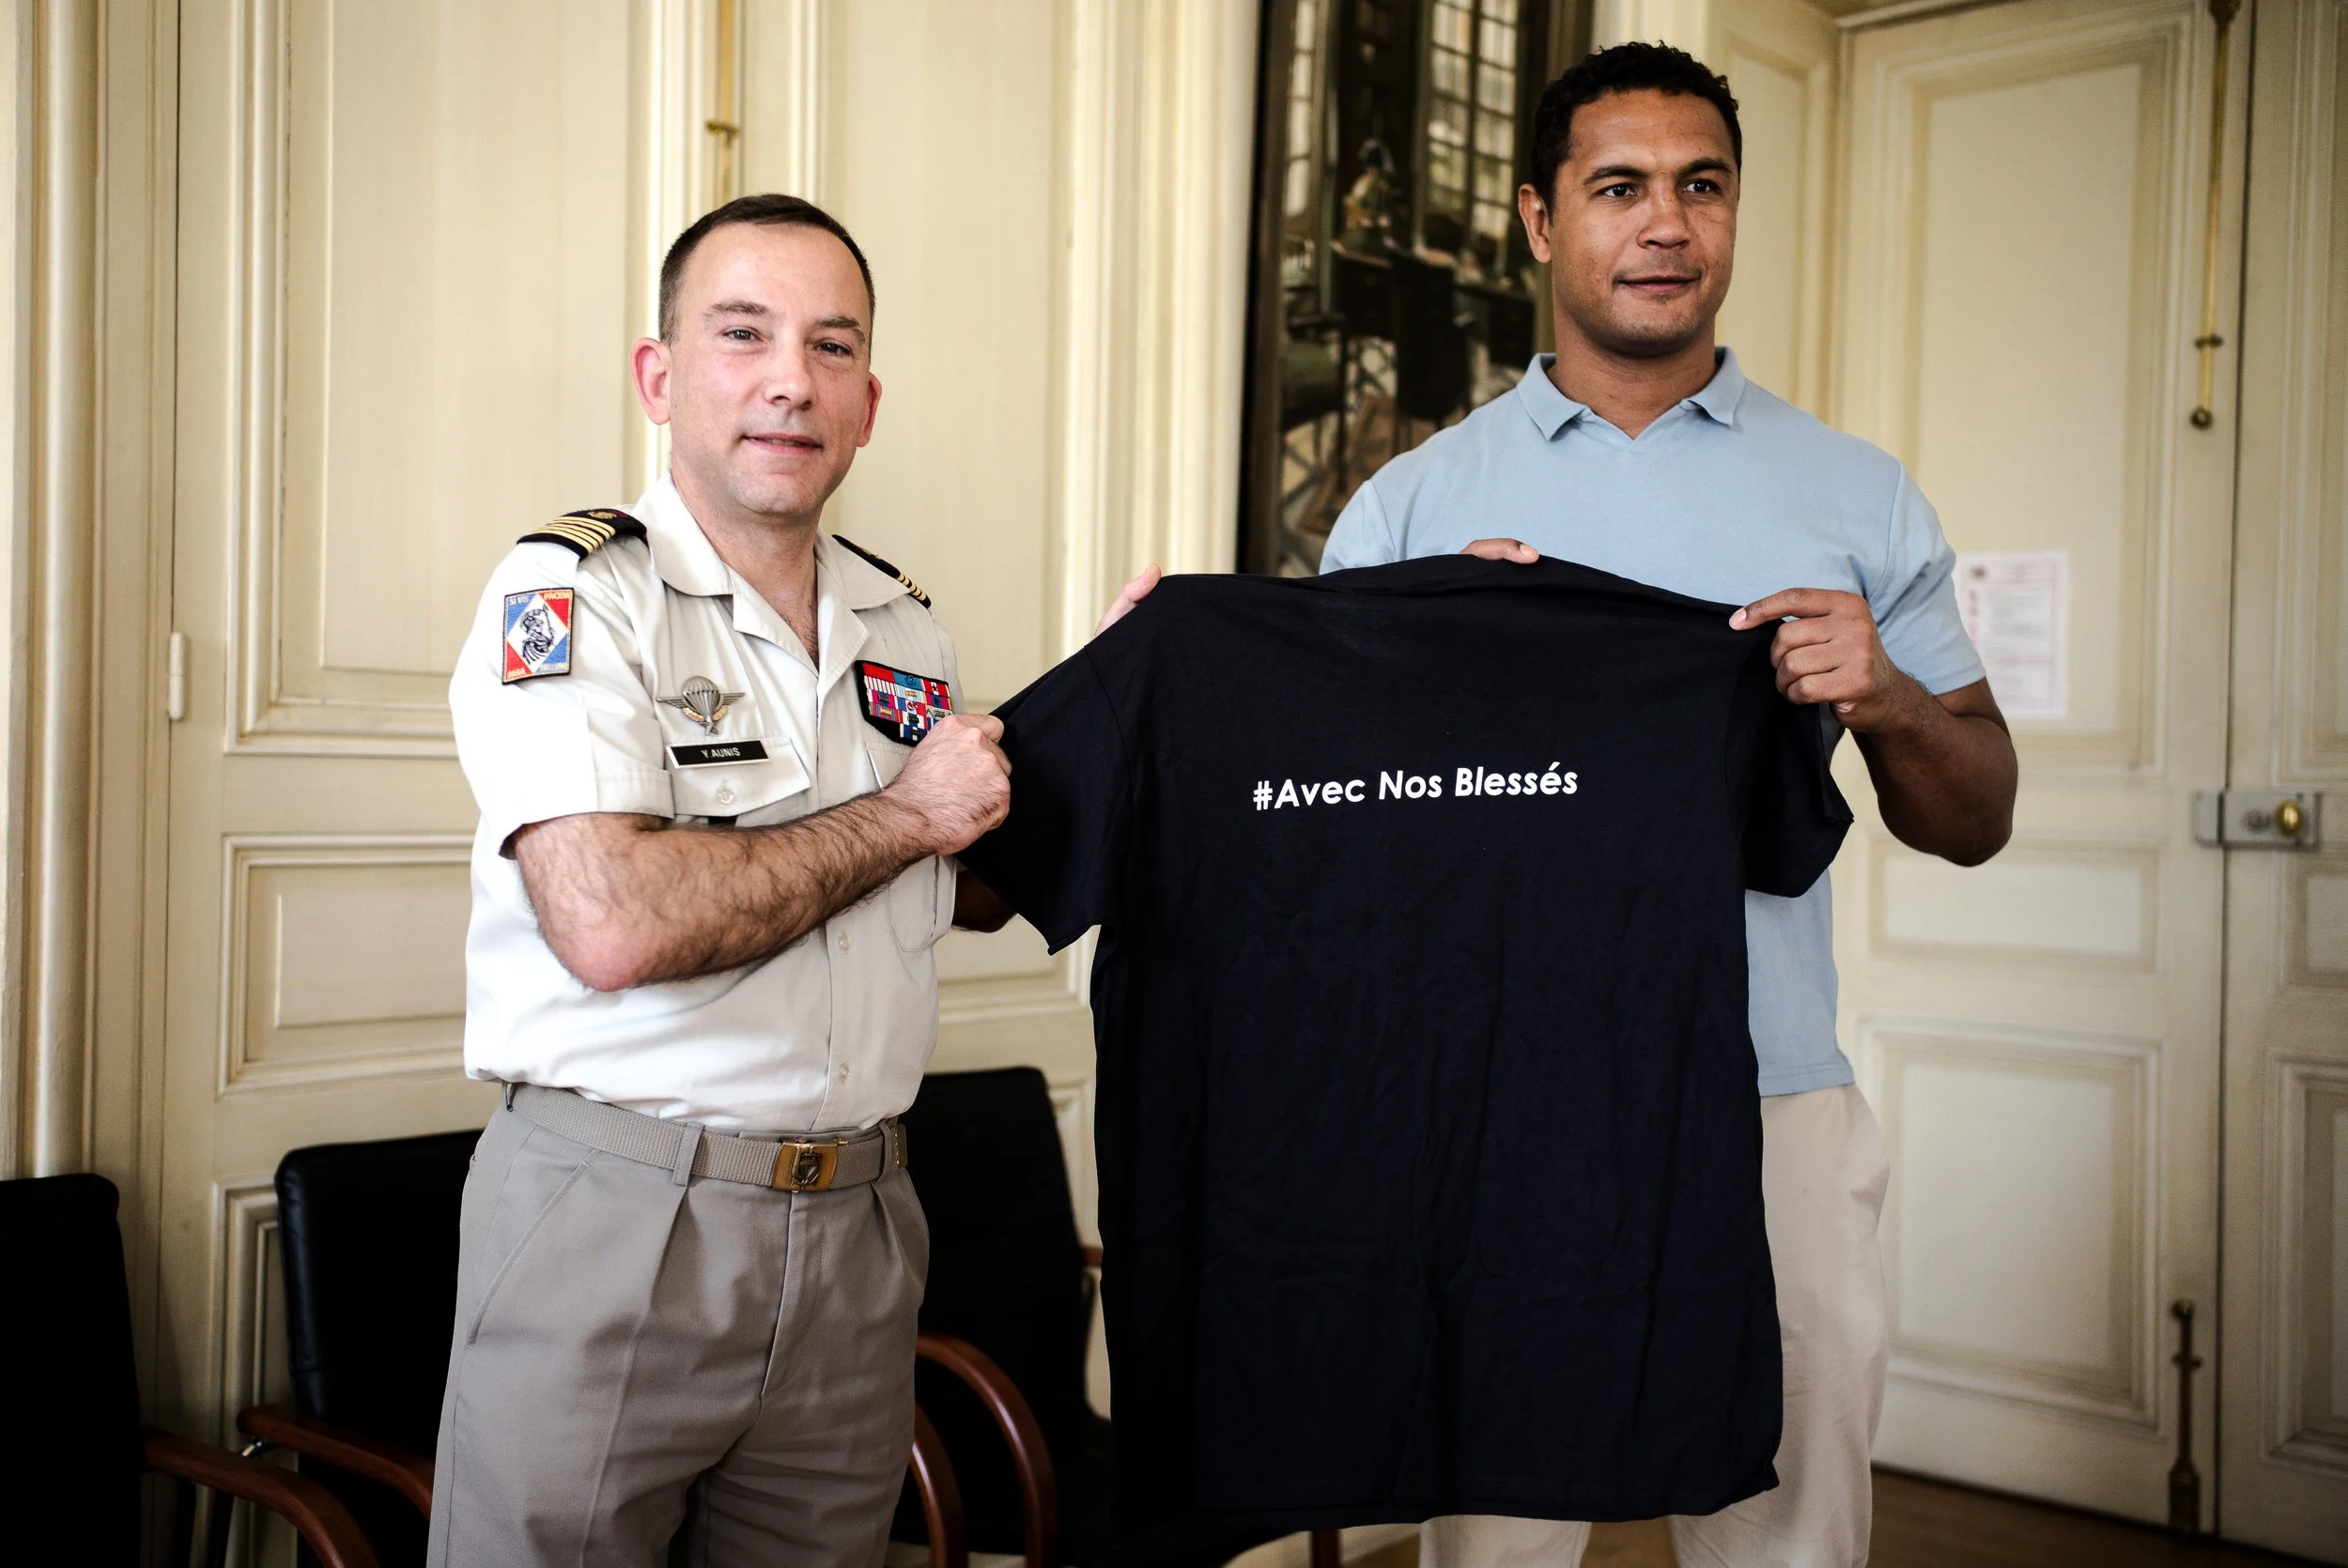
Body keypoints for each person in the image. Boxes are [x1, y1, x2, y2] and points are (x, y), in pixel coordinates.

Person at [1320, 43, 2018, 1568]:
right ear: (1534, 219)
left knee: (1789, 1532)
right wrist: (1437, 673)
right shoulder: (1411, 511)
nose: (1666, 225)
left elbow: (1978, 814)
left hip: (1771, 1092)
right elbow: (1330, 839)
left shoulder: (1857, 492)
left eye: (1701, 187)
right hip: (1504, 1102)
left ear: (1733, 212)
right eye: (1618, 186)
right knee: (1497, 1537)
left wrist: (1886, 690)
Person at [431, 192, 1143, 1567]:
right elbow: (613, 921)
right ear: (660, 375)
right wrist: (901, 811)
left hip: (860, 1226)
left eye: (830, 348)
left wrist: (1120, 705)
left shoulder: (899, 618)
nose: (788, 381)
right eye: (742, 333)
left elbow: (964, 874)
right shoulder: (577, 598)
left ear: (867, 402)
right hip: (625, 1216)